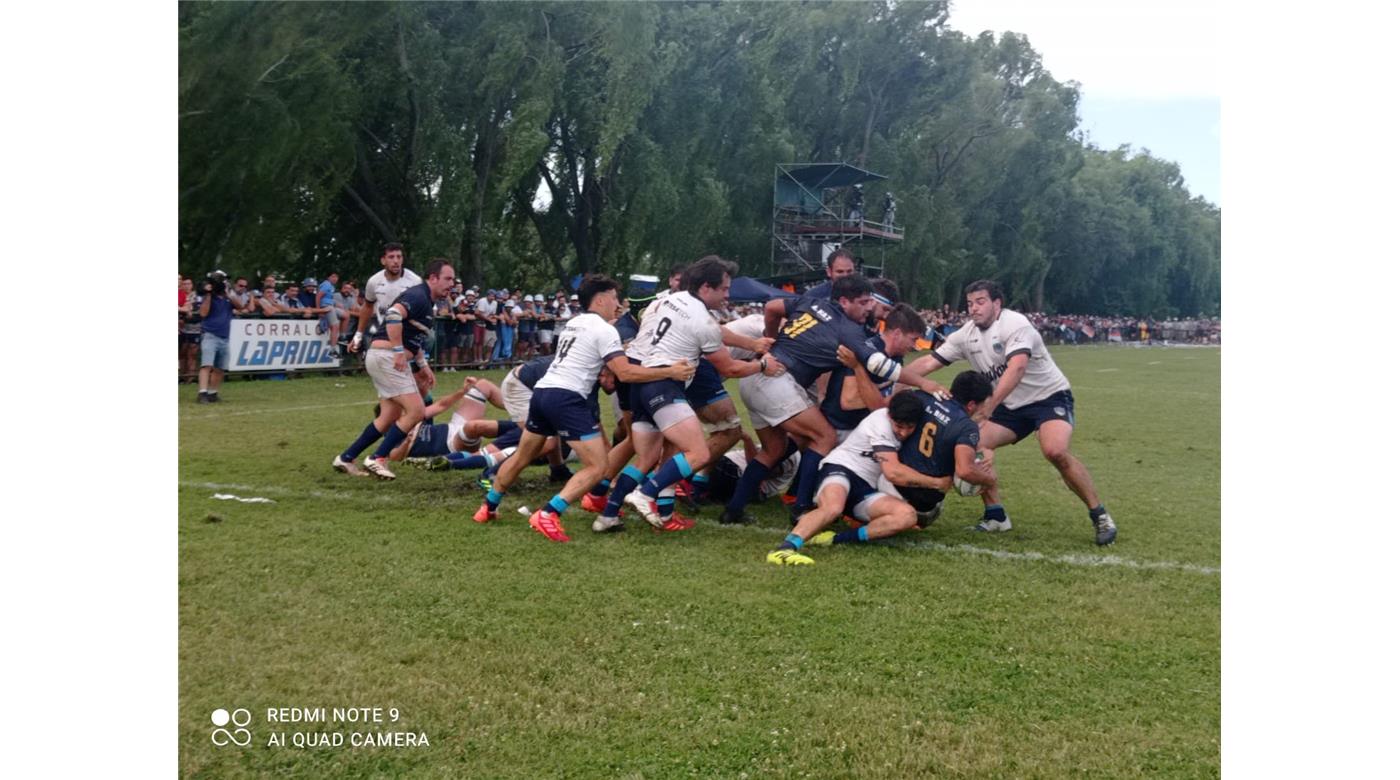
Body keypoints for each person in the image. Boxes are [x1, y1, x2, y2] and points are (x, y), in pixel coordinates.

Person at [471, 275, 695, 543]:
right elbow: (624, 373)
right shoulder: (605, 330)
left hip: (542, 392)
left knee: (522, 456)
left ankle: (488, 506)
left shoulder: (574, 322)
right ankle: (549, 513)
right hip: (566, 397)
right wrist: (671, 370)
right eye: (614, 297)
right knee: (598, 466)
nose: (619, 304)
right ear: (600, 298)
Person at [721, 274, 949, 525]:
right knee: (824, 437)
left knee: (775, 450)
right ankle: (802, 507)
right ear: (843, 301)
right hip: (775, 380)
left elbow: (772, 307)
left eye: (869, 301)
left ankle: (734, 510)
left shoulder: (810, 302)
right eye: (862, 302)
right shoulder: (848, 330)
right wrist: (924, 382)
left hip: (757, 375)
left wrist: (769, 342)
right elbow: (876, 364)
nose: (869, 307)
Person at [918, 279, 1117, 545]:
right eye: (969, 304)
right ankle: (996, 515)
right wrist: (895, 376)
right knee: (972, 441)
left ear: (996, 304)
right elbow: (930, 361)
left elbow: (1017, 368)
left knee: (1054, 451)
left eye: (980, 302)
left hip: (1048, 397)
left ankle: (1100, 515)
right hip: (1010, 406)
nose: (973, 309)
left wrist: (989, 406)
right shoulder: (966, 335)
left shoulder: (1015, 324)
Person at [591, 257, 780, 533]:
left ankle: (608, 515)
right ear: (706, 287)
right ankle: (645, 494)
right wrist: (762, 364)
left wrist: (751, 343)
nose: (728, 295)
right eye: (724, 289)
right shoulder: (702, 321)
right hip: (663, 384)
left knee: (645, 458)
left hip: (639, 382)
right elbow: (729, 367)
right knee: (698, 452)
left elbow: (714, 331)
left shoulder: (664, 300)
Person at [766, 381, 998, 565]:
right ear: (889, 417)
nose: (904, 432)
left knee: (907, 516)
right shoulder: (880, 422)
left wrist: (982, 450)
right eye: (899, 426)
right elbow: (894, 473)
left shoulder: (911, 419)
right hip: (840, 469)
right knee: (833, 507)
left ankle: (835, 539)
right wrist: (937, 482)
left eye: (909, 428)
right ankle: (786, 548)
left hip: (865, 489)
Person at [331, 260, 457, 479]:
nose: (451, 284)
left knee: (388, 416)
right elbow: (393, 315)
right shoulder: (418, 295)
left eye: (453, 280)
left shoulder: (427, 301)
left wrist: (423, 365)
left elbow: (413, 337)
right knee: (416, 411)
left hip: (382, 357)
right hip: (386, 357)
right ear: (433, 278)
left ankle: (346, 458)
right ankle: (378, 458)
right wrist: (399, 351)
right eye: (447, 279)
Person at [350, 242, 423, 355]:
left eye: (399, 257)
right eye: (391, 257)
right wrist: (358, 335)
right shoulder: (374, 281)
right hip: (383, 333)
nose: (396, 261)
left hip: (408, 334)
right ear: (383, 260)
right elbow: (367, 306)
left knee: (418, 371)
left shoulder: (415, 281)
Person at [197, 272, 234, 403]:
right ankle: (202, 393)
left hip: (225, 337)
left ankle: (213, 393)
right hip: (210, 335)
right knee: (206, 365)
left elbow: (242, 306)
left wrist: (229, 294)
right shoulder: (208, 297)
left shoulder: (228, 299)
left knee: (220, 368)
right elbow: (203, 313)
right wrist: (208, 294)